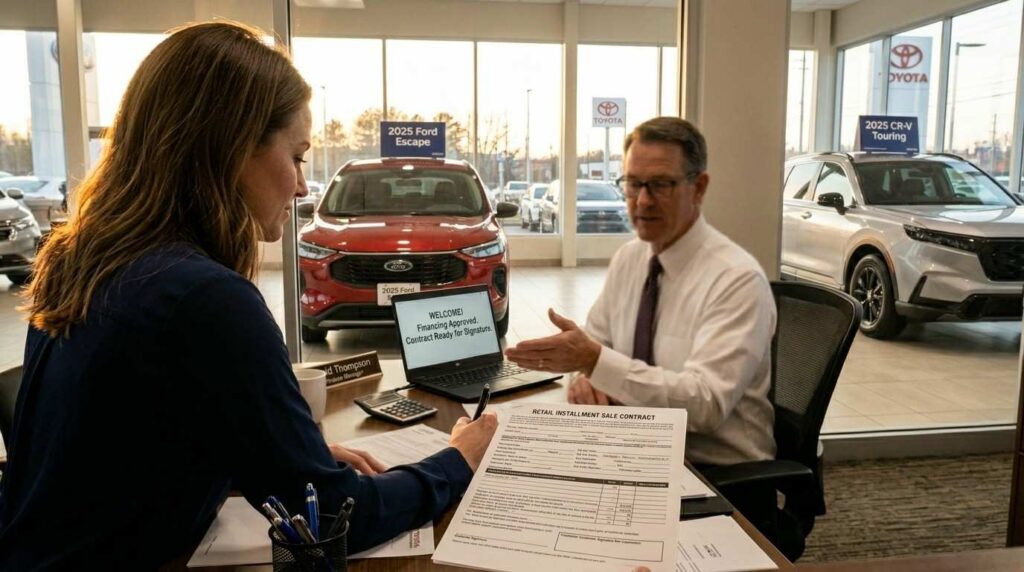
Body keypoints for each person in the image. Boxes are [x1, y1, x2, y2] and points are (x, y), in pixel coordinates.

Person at [0, 22, 497, 570]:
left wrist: (274, 455)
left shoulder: (82, 261)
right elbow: (334, 520)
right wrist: (457, 460)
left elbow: (125, 452)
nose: (302, 187)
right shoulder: (205, 299)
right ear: (234, 148)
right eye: (298, 156)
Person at [505, 116, 776, 467]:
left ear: (699, 187)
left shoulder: (737, 280)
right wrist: (584, 377)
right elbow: (595, 346)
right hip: (630, 449)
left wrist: (593, 363)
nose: (643, 201)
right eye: (633, 184)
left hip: (713, 473)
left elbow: (705, 405)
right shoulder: (630, 258)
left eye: (661, 184)